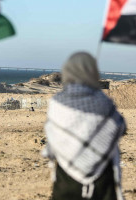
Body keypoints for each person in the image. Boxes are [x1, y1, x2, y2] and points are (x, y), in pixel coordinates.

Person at [43, 52, 126, 200]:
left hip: (66, 180)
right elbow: (120, 127)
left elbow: (51, 133)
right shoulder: (103, 101)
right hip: (101, 181)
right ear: (93, 72)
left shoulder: (57, 103)